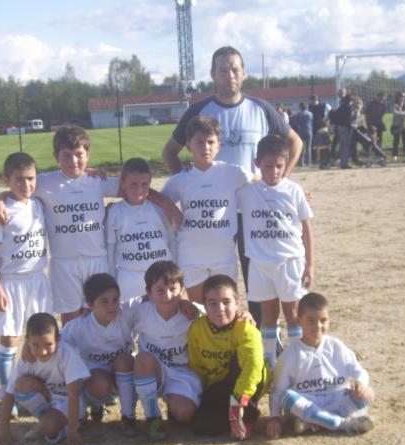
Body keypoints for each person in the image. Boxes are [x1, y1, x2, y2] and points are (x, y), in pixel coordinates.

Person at [161, 45, 303, 326]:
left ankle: (262, 336)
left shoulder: (261, 108)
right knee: (218, 282)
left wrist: (281, 181)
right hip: (217, 214)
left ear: (244, 73)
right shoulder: (199, 110)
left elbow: (294, 142)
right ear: (213, 74)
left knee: (257, 275)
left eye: (235, 69)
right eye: (223, 70)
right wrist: (191, 182)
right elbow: (169, 152)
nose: (230, 75)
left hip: (255, 209)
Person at [0, 125, 180, 325]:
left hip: (96, 259)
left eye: (79, 155)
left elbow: (136, 187)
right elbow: (18, 188)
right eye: (67, 155)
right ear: (56, 157)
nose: (73, 161)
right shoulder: (45, 183)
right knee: (70, 318)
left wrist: (170, 206)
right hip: (64, 262)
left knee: (100, 315)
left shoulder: (96, 181)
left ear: (87, 155)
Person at [239, 134, 314, 370]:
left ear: (286, 164)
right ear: (257, 163)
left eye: (279, 166)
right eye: (268, 166)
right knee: (268, 313)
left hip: (289, 261)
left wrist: (310, 264)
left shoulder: (294, 190)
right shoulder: (246, 191)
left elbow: (306, 227)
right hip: (259, 264)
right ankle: (270, 364)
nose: (274, 172)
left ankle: (298, 362)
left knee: (293, 313)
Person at [162, 115, 255, 303]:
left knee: (224, 310)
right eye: (199, 142)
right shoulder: (181, 179)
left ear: (219, 145)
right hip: (191, 256)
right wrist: (173, 208)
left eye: (211, 142)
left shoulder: (232, 172)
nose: (206, 147)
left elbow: (262, 181)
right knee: (199, 310)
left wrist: (294, 190)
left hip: (223, 256)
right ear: (188, 146)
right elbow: (157, 199)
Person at [0, 152, 52, 418]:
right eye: (19, 180)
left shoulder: (39, 203)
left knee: (40, 338)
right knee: (10, 340)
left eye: (30, 179)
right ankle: (7, 396)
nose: (26, 185)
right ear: (7, 180)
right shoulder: (1, 211)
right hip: (10, 283)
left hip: (37, 280)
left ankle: (37, 388)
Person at [266, 293, 375, 439]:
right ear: (298, 321)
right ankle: (342, 424)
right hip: (308, 403)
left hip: (337, 401)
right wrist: (275, 417)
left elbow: (360, 371)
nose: (318, 326)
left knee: (368, 393)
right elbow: (278, 392)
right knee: (287, 397)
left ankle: (313, 423)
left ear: (329, 320)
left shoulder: (336, 346)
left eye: (323, 320)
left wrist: (360, 383)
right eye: (311, 321)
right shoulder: (289, 354)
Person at [188, 275, 269, 440]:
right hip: (220, 384)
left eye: (226, 302)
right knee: (200, 427)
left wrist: (238, 401)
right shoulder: (196, 328)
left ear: (237, 303)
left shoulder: (246, 328)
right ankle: (234, 417)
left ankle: (247, 416)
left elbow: (253, 368)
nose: (220, 309)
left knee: (245, 364)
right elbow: (195, 365)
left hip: (248, 382)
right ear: (204, 305)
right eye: (212, 303)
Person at [0, 312, 91, 445]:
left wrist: (72, 432)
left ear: (58, 339)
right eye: (36, 345)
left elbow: (73, 395)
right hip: (49, 399)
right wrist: (4, 431)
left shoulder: (66, 354)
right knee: (21, 384)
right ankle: (48, 419)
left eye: (48, 345)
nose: (42, 352)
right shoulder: (27, 358)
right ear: (27, 341)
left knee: (48, 428)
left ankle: (74, 421)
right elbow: (9, 393)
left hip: (68, 402)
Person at [60, 273, 139, 437]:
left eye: (115, 300)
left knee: (125, 361)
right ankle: (94, 404)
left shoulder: (125, 313)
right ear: (89, 304)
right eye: (104, 301)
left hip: (121, 371)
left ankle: (128, 417)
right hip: (96, 376)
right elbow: (57, 345)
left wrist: (182, 302)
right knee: (99, 384)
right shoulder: (78, 326)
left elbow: (149, 298)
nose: (112, 306)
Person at [132, 260, 202, 440]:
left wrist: (245, 315)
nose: (167, 296)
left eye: (173, 289)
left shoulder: (193, 312)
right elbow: (112, 312)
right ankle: (152, 417)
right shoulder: (139, 310)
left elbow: (222, 316)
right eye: (160, 291)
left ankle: (173, 402)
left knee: (184, 414)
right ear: (148, 293)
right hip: (154, 371)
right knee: (142, 359)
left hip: (182, 373)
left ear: (182, 290)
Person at [106, 158, 176, 300]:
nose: (139, 190)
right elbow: (110, 250)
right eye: (133, 184)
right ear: (122, 183)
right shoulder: (115, 212)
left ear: (150, 184)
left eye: (144, 184)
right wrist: (112, 280)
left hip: (161, 276)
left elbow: (172, 242)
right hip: (129, 279)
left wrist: (174, 271)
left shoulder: (160, 209)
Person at [391, 92, 405, 162]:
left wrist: (400, 113)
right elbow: (394, 112)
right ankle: (395, 155)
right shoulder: (395, 105)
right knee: (396, 141)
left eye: (403, 96)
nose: (402, 98)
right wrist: (404, 113)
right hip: (397, 125)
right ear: (398, 97)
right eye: (401, 96)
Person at [291, 102, 313, 166]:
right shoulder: (310, 114)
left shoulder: (298, 114)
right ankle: (308, 162)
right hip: (309, 130)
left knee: (301, 147)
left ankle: (301, 162)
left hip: (301, 130)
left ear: (300, 107)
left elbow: (296, 122)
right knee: (308, 147)